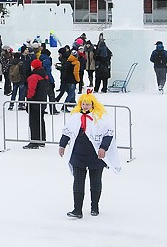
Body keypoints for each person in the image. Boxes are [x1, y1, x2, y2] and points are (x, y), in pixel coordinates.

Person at [58, 91, 121, 219]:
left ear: (93, 104)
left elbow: (108, 134)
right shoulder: (75, 117)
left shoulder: (100, 118)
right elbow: (67, 133)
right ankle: (77, 209)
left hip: (95, 156)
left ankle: (95, 206)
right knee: (78, 181)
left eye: (88, 104)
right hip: (78, 155)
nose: (85, 106)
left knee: (95, 181)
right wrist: (62, 145)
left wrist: (103, 148)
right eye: (83, 104)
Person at [24, 59, 50, 149]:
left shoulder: (34, 76)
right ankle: (42, 140)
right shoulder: (44, 75)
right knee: (40, 120)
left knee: (34, 122)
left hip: (34, 102)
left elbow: (31, 90)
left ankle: (34, 141)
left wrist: (28, 100)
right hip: (42, 101)